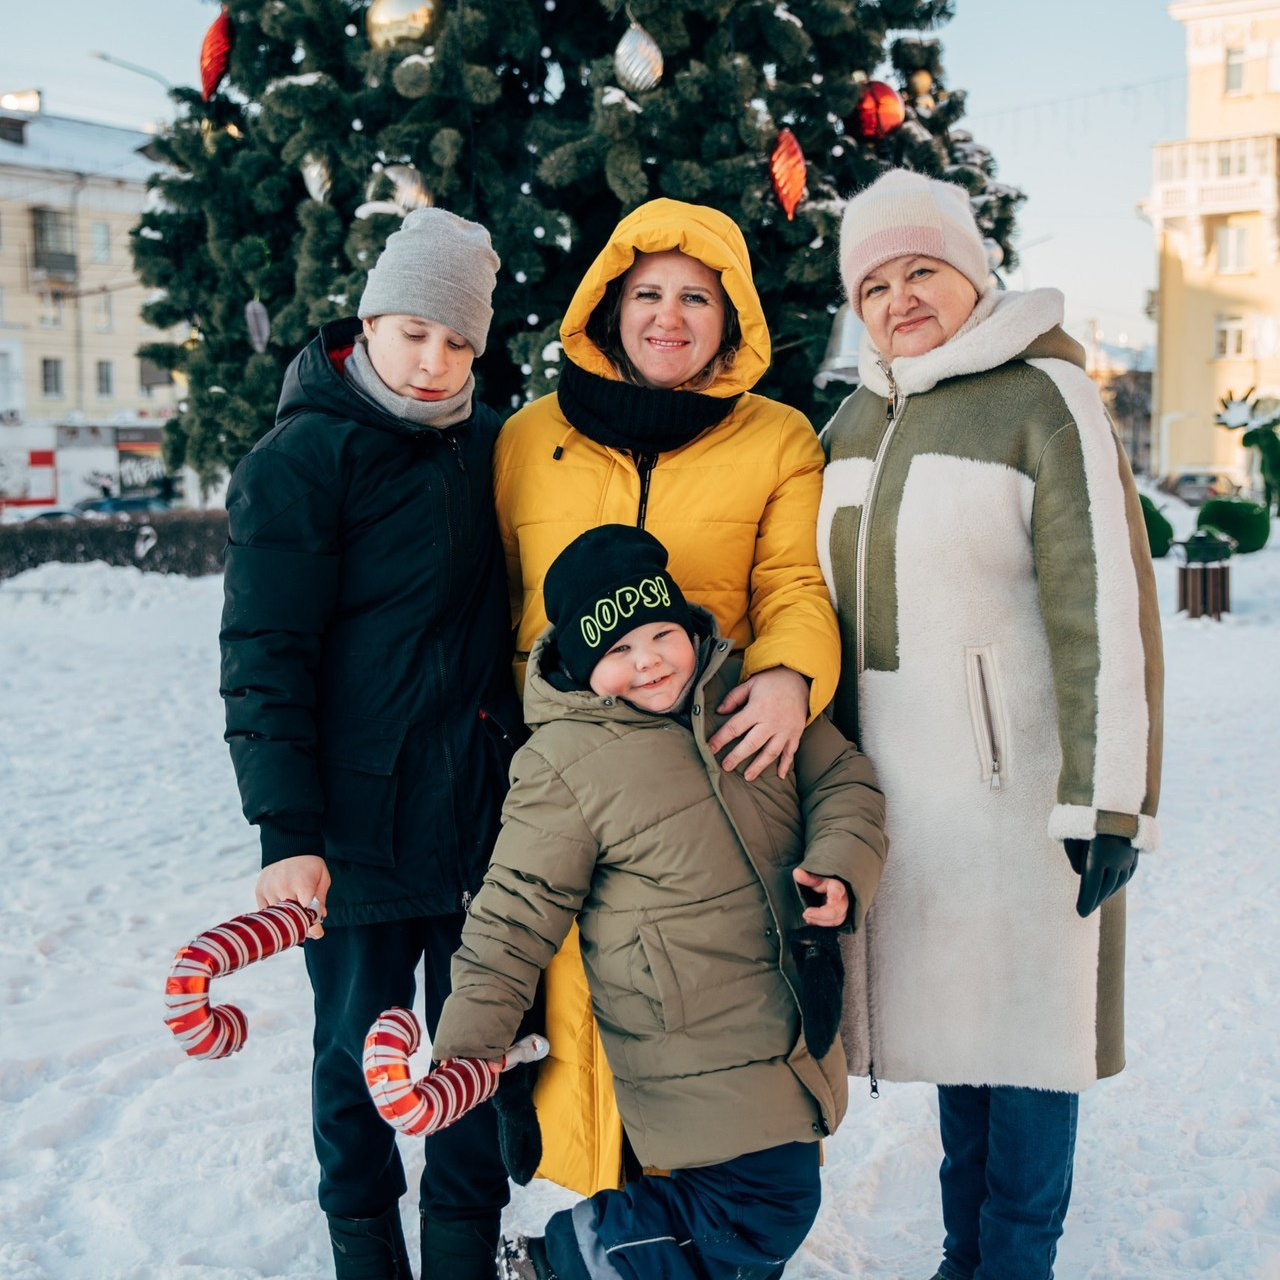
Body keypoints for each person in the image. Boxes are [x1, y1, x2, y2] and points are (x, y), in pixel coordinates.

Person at [817, 169, 1164, 1280]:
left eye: (922, 269)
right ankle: (962, 1256)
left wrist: (1111, 795)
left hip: (1023, 802)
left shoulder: (1039, 397)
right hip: (901, 810)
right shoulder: (852, 420)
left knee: (1027, 1051)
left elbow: (1102, 598)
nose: (899, 296)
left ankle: (1011, 1262)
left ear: (972, 273)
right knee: (957, 1052)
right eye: (874, 281)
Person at [430, 524, 888, 1280]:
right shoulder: (565, 763)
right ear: (582, 667)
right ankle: (560, 1263)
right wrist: (469, 1044)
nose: (646, 662)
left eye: (659, 634)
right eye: (615, 652)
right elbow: (514, 912)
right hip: (688, 1034)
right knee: (765, 1206)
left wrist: (840, 867)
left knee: (746, 1232)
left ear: (688, 627)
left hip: (795, 1008)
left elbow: (846, 782)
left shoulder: (747, 693)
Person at [494, 197, 841, 1193]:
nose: (668, 315)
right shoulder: (527, 439)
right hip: (566, 777)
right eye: (646, 292)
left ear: (730, 319)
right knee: (574, 1017)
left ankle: (698, 1230)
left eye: (697, 296)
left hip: (711, 777)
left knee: (709, 1016)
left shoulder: (777, 440)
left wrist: (786, 673)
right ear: (607, 305)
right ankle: (597, 1225)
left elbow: (791, 587)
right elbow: (492, 605)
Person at [219, 208, 522, 1280]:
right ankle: (362, 1246)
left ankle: (460, 1250)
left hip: (485, 819)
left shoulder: (498, 447)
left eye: (458, 342)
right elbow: (265, 652)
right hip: (354, 829)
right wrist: (285, 828)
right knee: (355, 1051)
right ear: (369, 322)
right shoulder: (300, 460)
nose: (435, 361)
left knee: (474, 1050)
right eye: (414, 332)